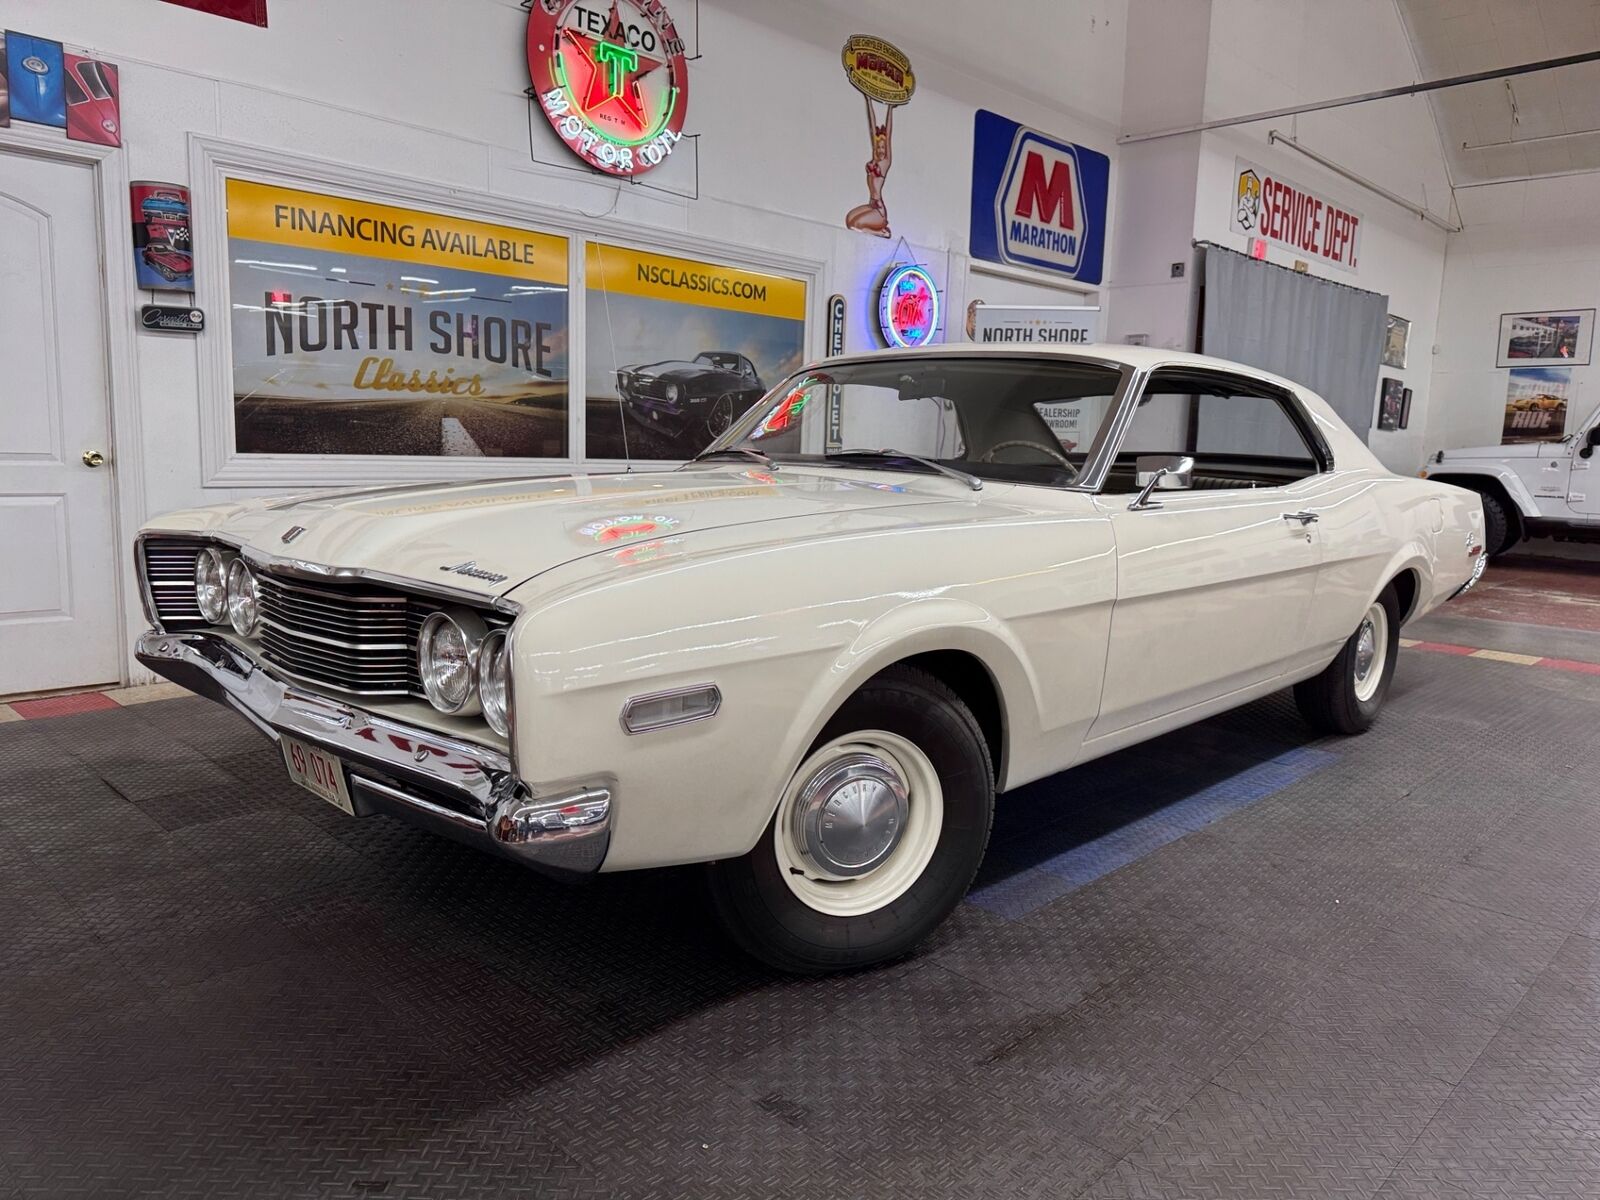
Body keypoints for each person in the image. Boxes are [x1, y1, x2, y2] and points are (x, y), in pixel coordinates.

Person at [844, 95, 893, 238]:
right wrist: (868, 101)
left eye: (883, 147)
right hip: (871, 204)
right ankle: (878, 230)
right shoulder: (874, 159)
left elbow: (888, 134)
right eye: (879, 147)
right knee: (849, 221)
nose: (881, 150)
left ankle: (881, 232)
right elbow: (872, 127)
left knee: (854, 226)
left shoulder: (885, 163)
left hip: (878, 210)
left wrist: (890, 108)